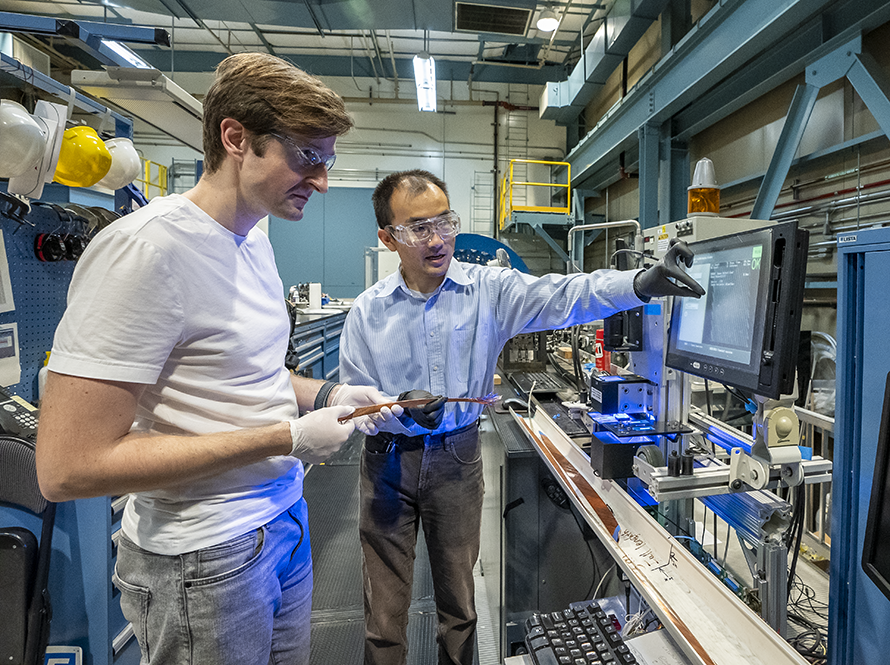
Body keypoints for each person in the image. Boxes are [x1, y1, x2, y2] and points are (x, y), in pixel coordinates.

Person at [35, 52, 402, 665]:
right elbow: (69, 466)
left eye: (328, 159)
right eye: (308, 157)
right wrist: (283, 437)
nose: (323, 180)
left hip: (282, 525)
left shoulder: (253, 239)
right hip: (203, 559)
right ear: (236, 138)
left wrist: (329, 397)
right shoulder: (145, 252)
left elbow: (244, 377)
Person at [338, 169, 705, 665]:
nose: (437, 239)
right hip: (386, 465)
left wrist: (639, 284)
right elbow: (354, 406)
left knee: (459, 607)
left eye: (444, 223)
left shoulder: (490, 290)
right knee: (384, 616)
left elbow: (566, 294)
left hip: (456, 460)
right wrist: (395, 410)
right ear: (388, 238)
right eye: (417, 228)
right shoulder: (367, 312)